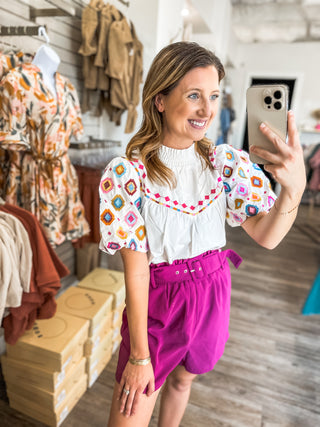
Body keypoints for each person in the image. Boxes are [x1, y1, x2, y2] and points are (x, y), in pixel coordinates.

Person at [99, 41, 306, 427]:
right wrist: (139, 356)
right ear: (160, 99)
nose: (207, 111)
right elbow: (137, 271)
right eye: (194, 95)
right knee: (129, 413)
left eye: (213, 96)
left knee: (183, 381)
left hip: (213, 292)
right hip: (159, 302)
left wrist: (293, 189)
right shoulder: (129, 176)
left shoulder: (224, 164)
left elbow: (268, 236)